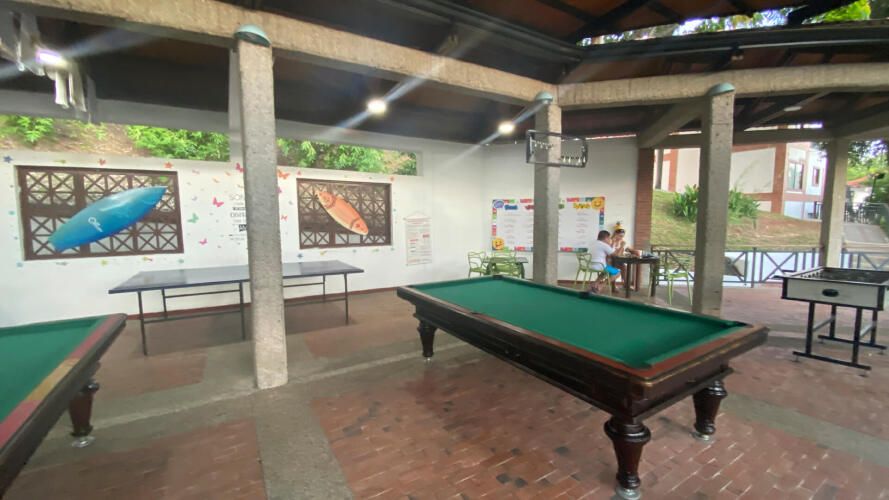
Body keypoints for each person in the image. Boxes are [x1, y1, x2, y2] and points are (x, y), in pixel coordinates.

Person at [611, 223, 642, 291]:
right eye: (620, 236)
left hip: (617, 260)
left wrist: (627, 250)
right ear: (615, 234)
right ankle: (613, 286)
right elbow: (613, 253)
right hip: (610, 261)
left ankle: (626, 284)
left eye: (623, 236)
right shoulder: (611, 241)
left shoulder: (621, 241)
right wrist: (621, 247)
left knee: (624, 267)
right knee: (615, 268)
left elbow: (621, 252)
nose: (621, 238)